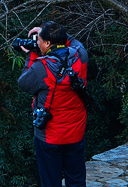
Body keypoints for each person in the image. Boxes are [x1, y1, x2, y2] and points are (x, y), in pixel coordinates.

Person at [17, 21, 89, 187]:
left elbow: (23, 82)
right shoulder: (81, 55)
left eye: (39, 40)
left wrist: (32, 54)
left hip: (50, 136)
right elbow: (74, 42)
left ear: (48, 43)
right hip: (76, 132)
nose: (37, 43)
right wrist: (56, 33)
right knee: (77, 181)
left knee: (50, 182)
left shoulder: (41, 67)